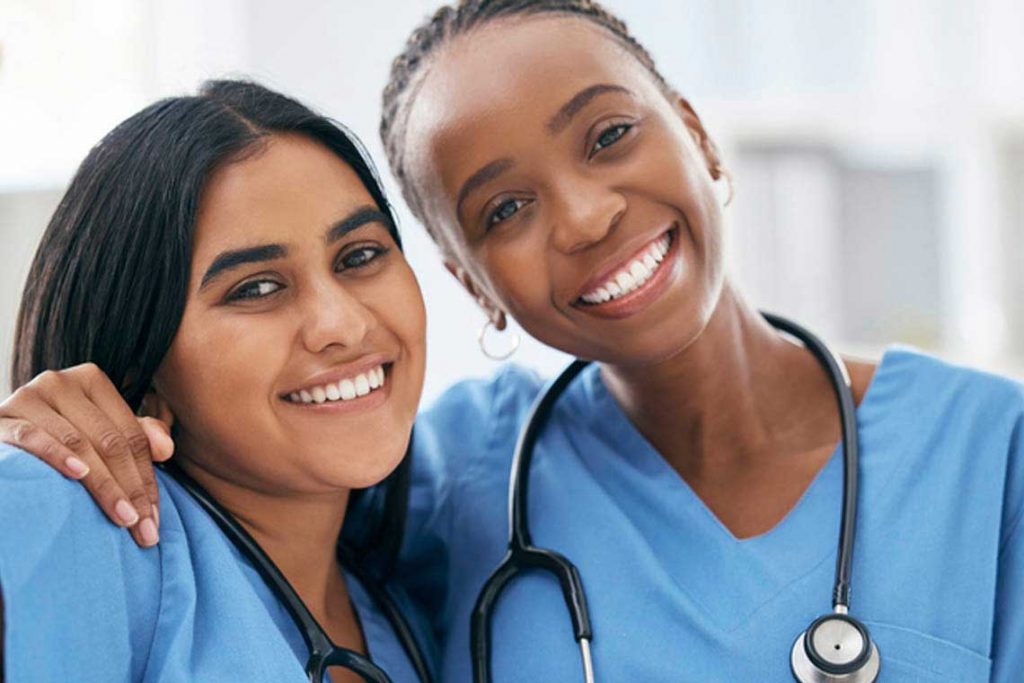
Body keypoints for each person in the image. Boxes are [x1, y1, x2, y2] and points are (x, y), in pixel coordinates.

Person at [5, 1, 1023, 681]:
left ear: (697, 131)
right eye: (502, 208)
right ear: (467, 279)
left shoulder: (993, 456)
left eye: (610, 133)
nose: (582, 216)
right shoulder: (462, 478)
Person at [0, 80, 433, 682]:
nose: (343, 324)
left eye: (359, 255)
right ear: (141, 373)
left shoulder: (408, 609)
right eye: (256, 288)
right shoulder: (71, 524)